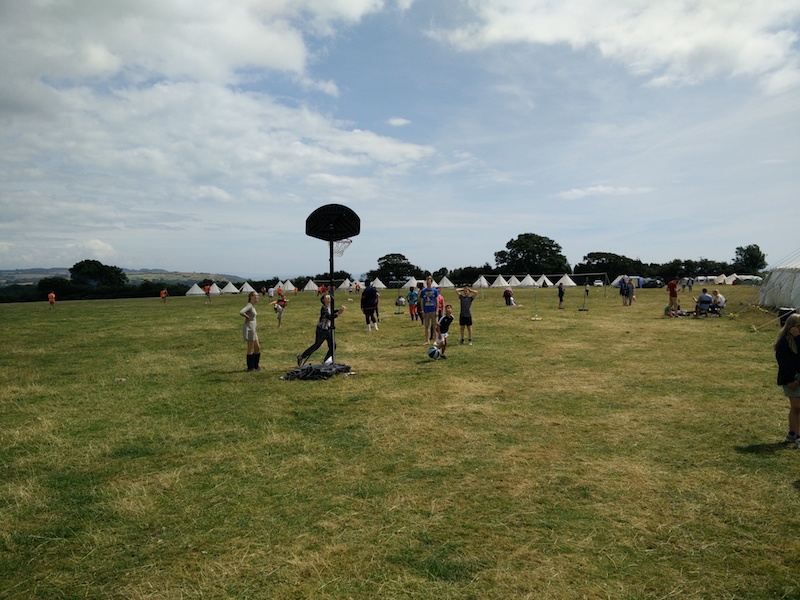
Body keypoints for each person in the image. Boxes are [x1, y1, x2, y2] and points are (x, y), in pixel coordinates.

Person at [297, 294, 346, 366]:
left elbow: (332, 313)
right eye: (327, 297)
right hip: (322, 330)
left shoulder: (329, 307)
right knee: (316, 345)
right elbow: (329, 317)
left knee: (333, 346)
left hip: (328, 329)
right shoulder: (323, 308)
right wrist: (338, 313)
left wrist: (339, 310)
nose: (329, 298)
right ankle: (301, 356)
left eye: (329, 297)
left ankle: (326, 361)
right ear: (323, 300)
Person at [774, 313, 800, 447]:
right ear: (792, 327)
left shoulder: (798, 339)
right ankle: (798, 437)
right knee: (797, 407)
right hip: (791, 378)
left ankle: (791, 433)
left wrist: (798, 338)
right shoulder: (784, 343)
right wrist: (790, 379)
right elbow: (784, 363)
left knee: (797, 408)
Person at [239, 291, 261, 372]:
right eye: (256, 296)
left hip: (253, 329)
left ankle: (256, 366)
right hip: (249, 329)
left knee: (257, 348)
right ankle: (250, 367)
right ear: (251, 296)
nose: (257, 297)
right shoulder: (249, 305)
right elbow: (241, 312)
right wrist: (248, 317)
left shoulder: (252, 306)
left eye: (258, 296)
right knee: (250, 347)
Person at [419, 276, 439, 345]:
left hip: (433, 310)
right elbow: (421, 301)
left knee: (435, 326)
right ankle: (427, 340)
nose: (428, 282)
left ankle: (435, 340)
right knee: (426, 326)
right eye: (427, 281)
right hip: (426, 311)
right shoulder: (423, 291)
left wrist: (437, 310)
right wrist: (422, 311)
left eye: (429, 281)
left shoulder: (435, 291)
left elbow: (437, 301)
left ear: (431, 282)